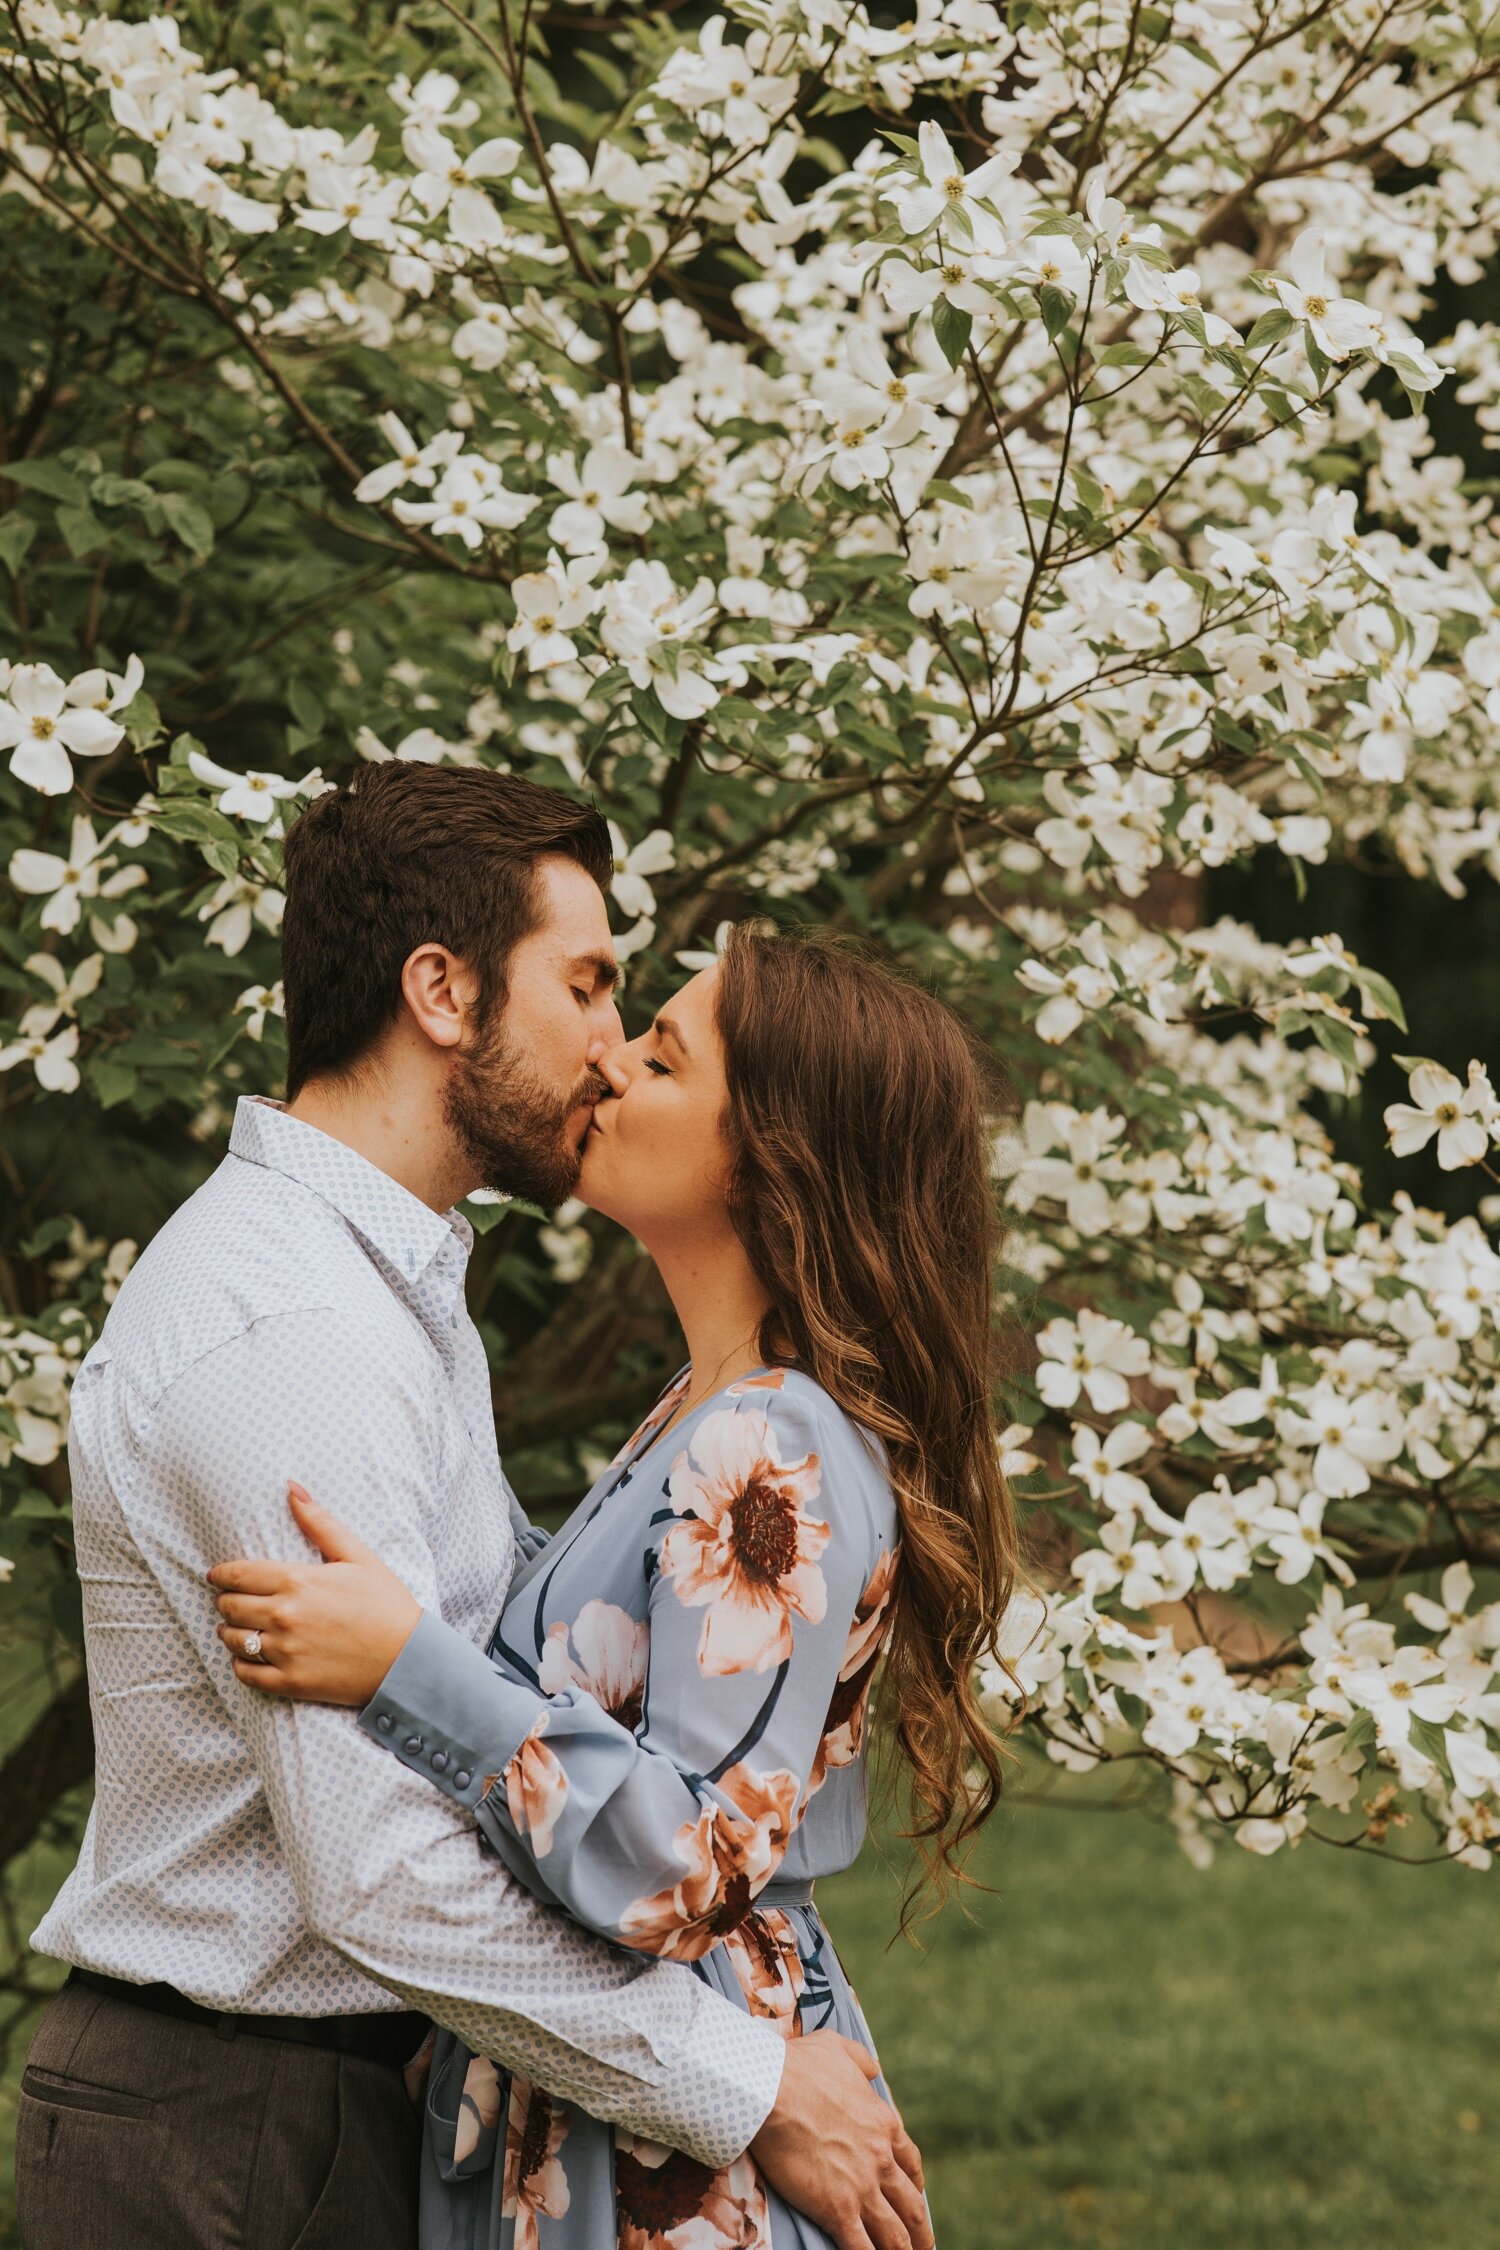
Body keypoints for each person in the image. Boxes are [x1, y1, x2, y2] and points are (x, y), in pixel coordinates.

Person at [17, 764, 929, 2250]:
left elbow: (552, 1702)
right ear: (441, 991)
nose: (609, 1043)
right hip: (246, 2129)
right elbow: (380, 1870)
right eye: (585, 983)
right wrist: (746, 2082)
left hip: (323, 2110)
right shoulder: (298, 1334)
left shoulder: (401, 1303)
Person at [206, 918, 1024, 2249]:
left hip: (682, 2161)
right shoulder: (699, 1416)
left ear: (771, 1145)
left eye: (665, 1053)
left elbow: (690, 1858)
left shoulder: (775, 1446)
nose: (611, 1064)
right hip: (618, 2098)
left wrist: (407, 1667)